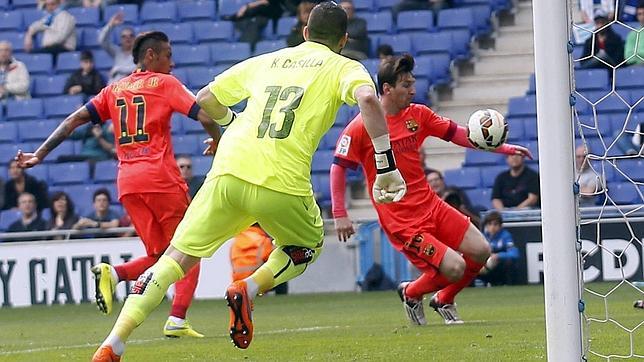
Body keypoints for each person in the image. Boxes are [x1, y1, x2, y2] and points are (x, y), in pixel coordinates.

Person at [88, 3, 406, 359]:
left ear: (304, 32)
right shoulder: (345, 66)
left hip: (228, 170)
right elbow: (366, 98)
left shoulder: (268, 60)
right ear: (344, 40)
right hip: (281, 182)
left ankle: (112, 342)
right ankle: (249, 287)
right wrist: (385, 163)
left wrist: (232, 122)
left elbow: (205, 98)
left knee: (173, 259)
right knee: (307, 246)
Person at [15, 31, 222, 344]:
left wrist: (39, 154)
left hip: (128, 183)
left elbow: (73, 120)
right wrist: (219, 141)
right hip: (161, 179)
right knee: (189, 248)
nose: (172, 61)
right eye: (167, 54)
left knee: (160, 255)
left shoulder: (113, 89)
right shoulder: (165, 83)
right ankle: (177, 318)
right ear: (150, 56)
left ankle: (115, 274)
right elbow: (204, 114)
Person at [331, 54, 531, 326]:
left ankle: (443, 299)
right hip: (402, 220)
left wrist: (505, 148)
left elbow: (459, 134)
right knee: (454, 267)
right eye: (405, 85)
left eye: (412, 83)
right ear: (387, 89)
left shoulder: (418, 115)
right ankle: (411, 292)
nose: (412, 90)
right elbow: (338, 167)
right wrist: (340, 213)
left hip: (430, 204)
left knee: (482, 250)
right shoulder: (360, 126)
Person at [230, 223, 288, 294]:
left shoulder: (235, 243)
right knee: (281, 271)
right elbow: (276, 260)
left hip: (238, 284)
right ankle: (281, 299)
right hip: (255, 282)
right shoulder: (264, 241)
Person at [477, 211, 519, 286]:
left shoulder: (505, 236)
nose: (492, 227)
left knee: (509, 262)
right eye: (489, 224)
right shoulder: (482, 237)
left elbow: (514, 254)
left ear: (500, 226)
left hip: (500, 267)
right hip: (485, 265)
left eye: (495, 224)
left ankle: (506, 284)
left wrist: (498, 256)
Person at [99, 13, 137, 84]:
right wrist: (110, 25)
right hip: (113, 88)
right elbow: (102, 41)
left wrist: (118, 69)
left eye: (130, 36)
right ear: (120, 39)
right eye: (124, 36)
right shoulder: (116, 51)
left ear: (135, 38)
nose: (127, 39)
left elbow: (137, 69)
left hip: (129, 89)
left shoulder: (138, 54)